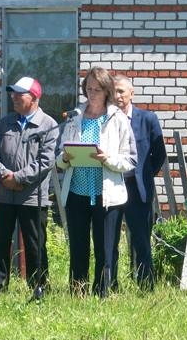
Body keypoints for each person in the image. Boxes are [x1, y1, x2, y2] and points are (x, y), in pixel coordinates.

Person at [56, 66, 137, 297]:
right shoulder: (74, 117)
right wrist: (65, 158)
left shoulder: (118, 119)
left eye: (97, 89)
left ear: (107, 91)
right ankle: (77, 292)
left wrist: (107, 158)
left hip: (106, 194)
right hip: (77, 192)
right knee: (78, 246)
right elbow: (58, 157)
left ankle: (102, 293)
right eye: (88, 89)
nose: (92, 94)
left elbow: (131, 159)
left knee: (105, 248)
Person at [0, 76, 58, 295]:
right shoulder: (4, 123)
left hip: (32, 196)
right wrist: (4, 175)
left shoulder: (49, 125)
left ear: (34, 97)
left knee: (35, 244)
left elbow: (46, 162)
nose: (14, 98)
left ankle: (39, 289)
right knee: (0, 241)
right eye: (13, 94)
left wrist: (19, 178)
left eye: (20, 94)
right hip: (4, 195)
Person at [111, 75, 167, 291]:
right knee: (111, 238)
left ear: (131, 93)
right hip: (113, 185)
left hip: (137, 188)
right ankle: (111, 284)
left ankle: (145, 285)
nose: (117, 96)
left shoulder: (147, 119)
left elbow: (158, 153)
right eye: (114, 91)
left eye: (121, 91)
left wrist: (144, 174)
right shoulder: (106, 119)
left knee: (141, 239)